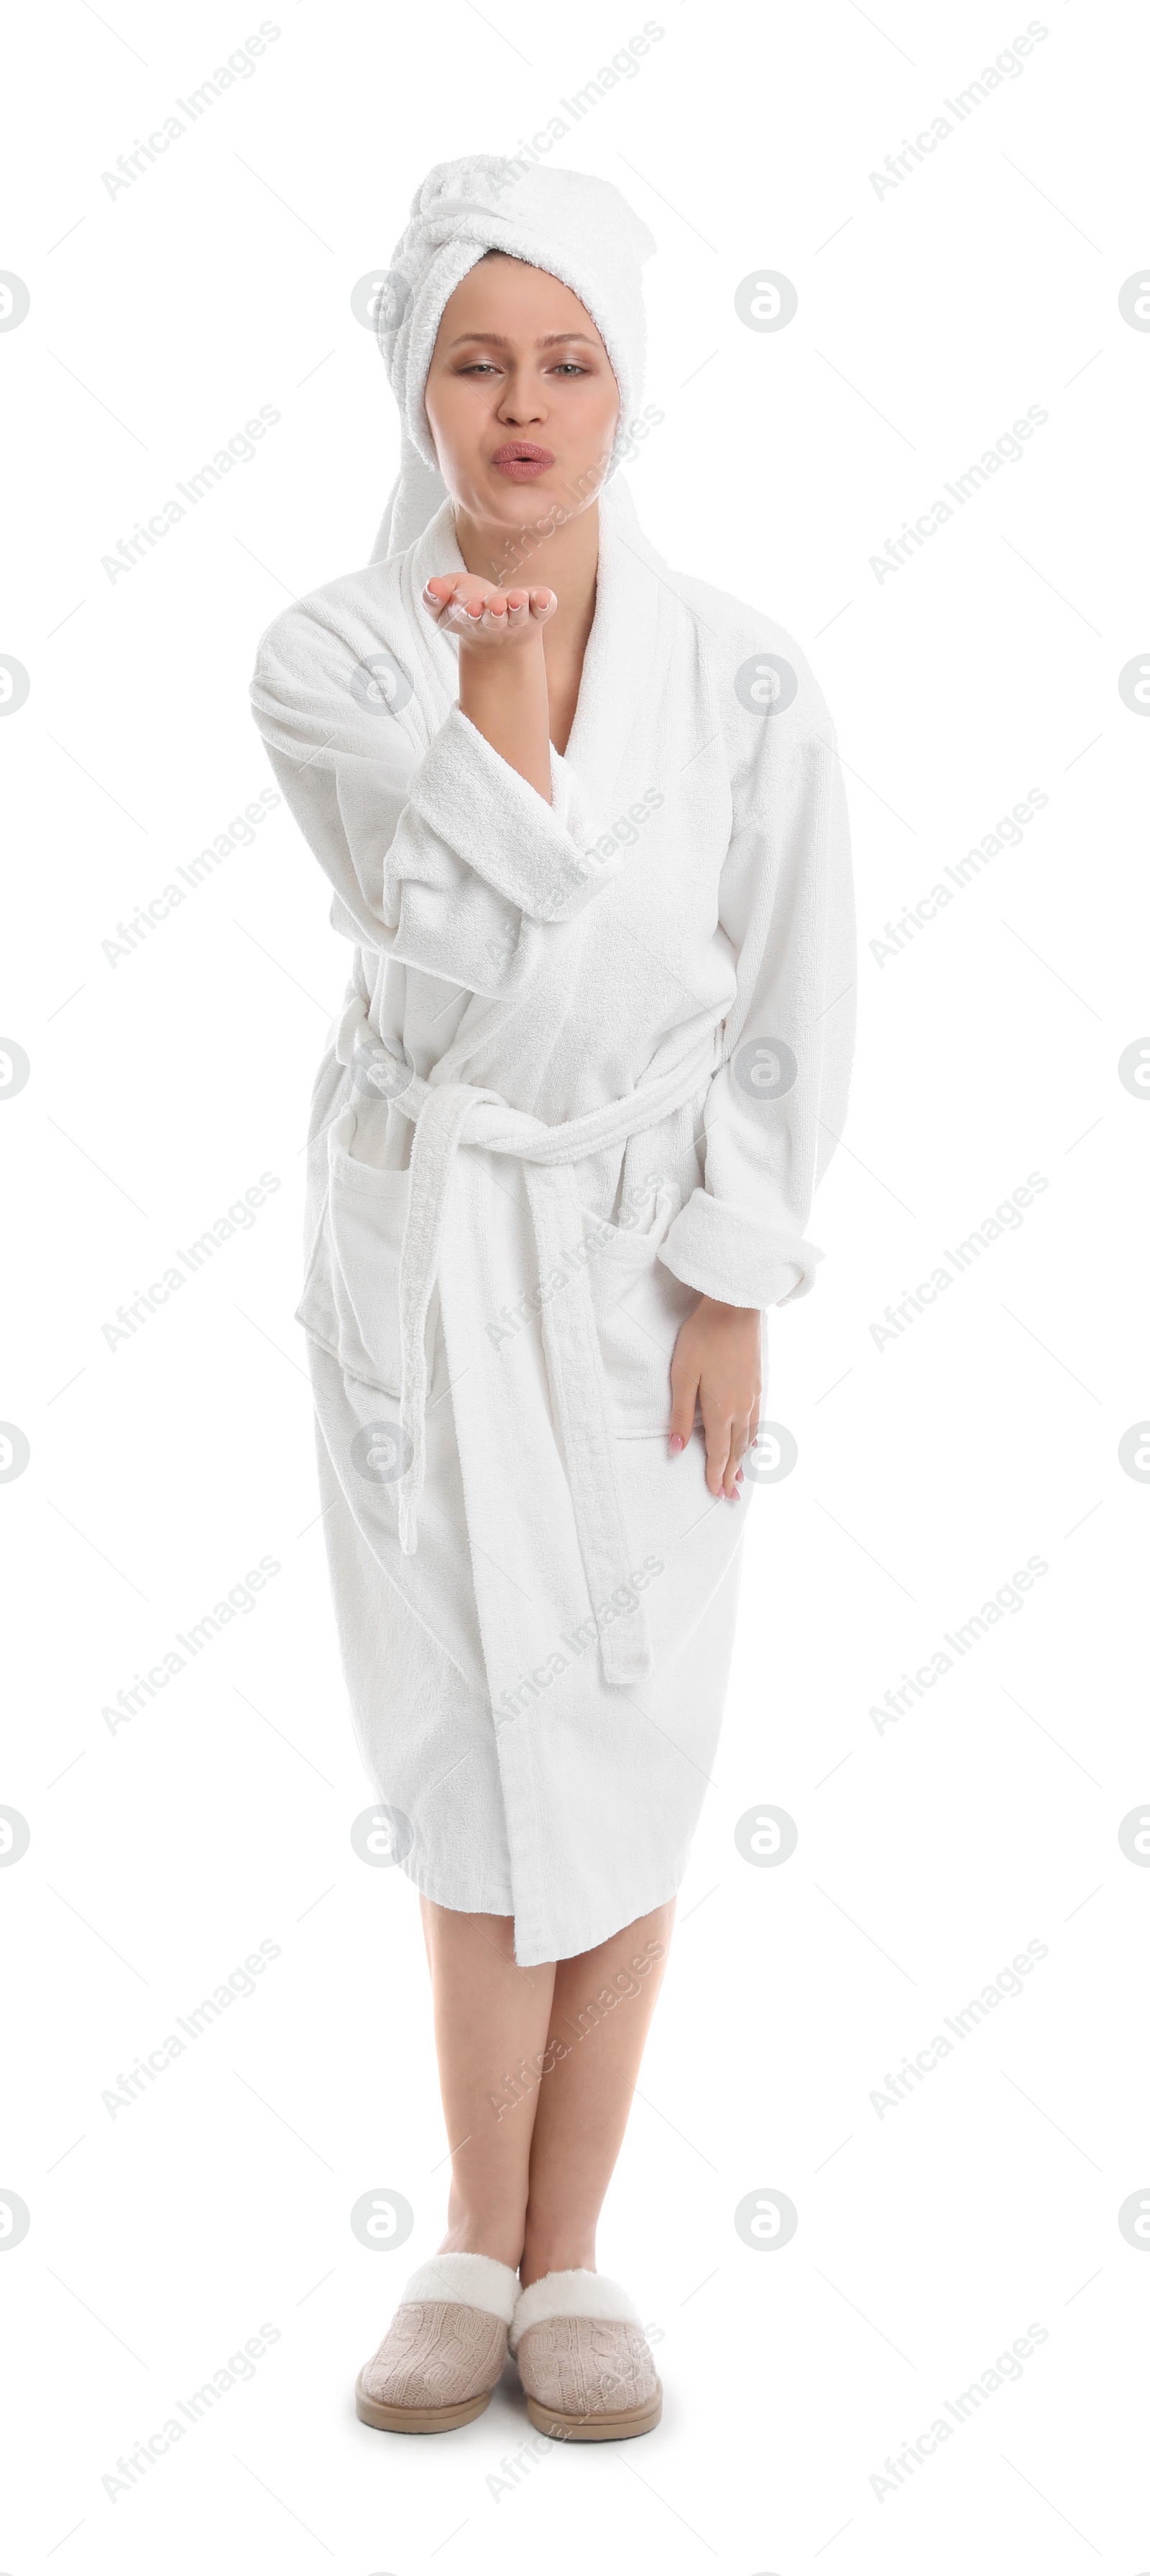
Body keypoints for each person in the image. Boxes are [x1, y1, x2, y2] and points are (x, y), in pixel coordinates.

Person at [250, 152, 855, 2442]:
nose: (523, 405)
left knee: (625, 1729)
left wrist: (734, 1267)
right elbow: (466, 942)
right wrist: (490, 695)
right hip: (424, 1257)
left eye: (568, 361)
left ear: (629, 388)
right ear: (416, 377)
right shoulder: (331, 647)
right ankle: (467, 2244)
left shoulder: (749, 673)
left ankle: (577, 2249)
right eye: (479, 360)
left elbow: (793, 978)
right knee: (465, 1742)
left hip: (631, 1252)